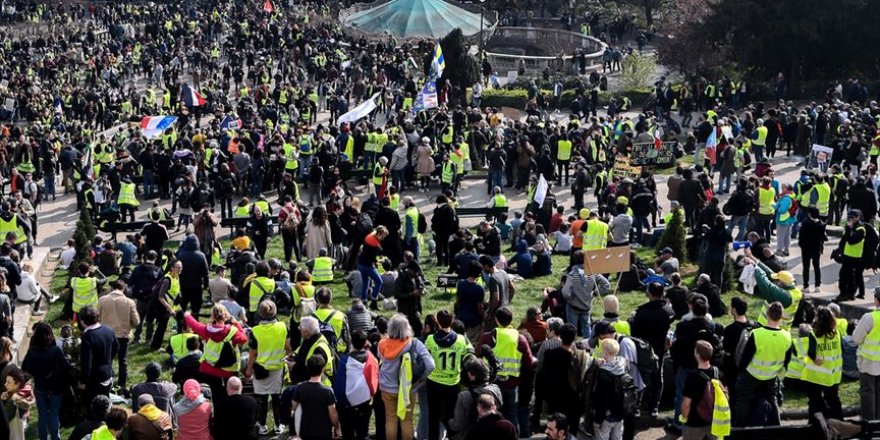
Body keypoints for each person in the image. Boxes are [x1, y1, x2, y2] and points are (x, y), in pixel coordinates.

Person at [476, 307, 534, 435]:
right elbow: (529, 363)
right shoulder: (519, 338)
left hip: (492, 384)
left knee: (490, 414)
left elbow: (478, 356)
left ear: (496, 320)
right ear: (511, 320)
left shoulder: (488, 337)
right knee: (512, 414)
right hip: (512, 384)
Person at [733, 302, 792, 427]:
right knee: (773, 400)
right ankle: (776, 426)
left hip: (752, 373)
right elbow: (787, 360)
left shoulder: (757, 334)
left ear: (767, 314)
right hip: (771, 375)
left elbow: (746, 357)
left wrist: (740, 371)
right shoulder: (787, 336)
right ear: (781, 317)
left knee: (744, 400)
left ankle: (739, 427)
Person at [377, 314, 436, 440]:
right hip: (408, 388)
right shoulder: (414, 343)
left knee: (391, 419)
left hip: (387, 389)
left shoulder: (382, 344)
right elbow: (431, 365)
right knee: (406, 420)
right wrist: (421, 380)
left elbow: (381, 361)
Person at [425, 310, 473, 440]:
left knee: (433, 416)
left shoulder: (430, 340)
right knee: (452, 416)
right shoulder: (461, 340)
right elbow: (471, 352)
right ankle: (452, 437)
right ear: (452, 322)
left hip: (434, 382)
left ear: (437, 323)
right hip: (452, 383)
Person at [246, 300, 291, 436]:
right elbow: (288, 348)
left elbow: (253, 353)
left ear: (260, 314)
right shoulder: (283, 327)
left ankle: (262, 425)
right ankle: (278, 425)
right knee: (277, 397)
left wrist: (248, 369)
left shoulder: (255, 331)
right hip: (277, 367)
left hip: (260, 369)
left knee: (262, 398)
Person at [183, 305, 248, 395]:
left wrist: (187, 315)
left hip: (211, 368)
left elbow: (194, 324)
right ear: (226, 315)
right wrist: (236, 324)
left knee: (216, 393)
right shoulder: (233, 331)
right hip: (229, 369)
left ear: (213, 316)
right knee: (231, 394)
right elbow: (244, 339)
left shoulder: (206, 330)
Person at [21, 322, 70, 440]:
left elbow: (24, 368)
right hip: (56, 388)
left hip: (40, 387)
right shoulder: (55, 350)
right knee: (53, 415)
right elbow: (66, 367)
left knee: (42, 416)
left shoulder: (32, 352)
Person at [540, 323, 589, 431]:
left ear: (560, 336)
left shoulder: (549, 355)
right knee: (572, 430)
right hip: (573, 399)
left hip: (555, 399)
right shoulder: (580, 357)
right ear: (574, 337)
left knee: (557, 430)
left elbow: (544, 376)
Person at [679, 341, 731, 440]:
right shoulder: (718, 372)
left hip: (695, 423)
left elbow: (686, 404)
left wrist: (684, 418)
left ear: (697, 354)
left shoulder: (692, 376)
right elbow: (726, 394)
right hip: (714, 421)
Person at [333, 329, 379, 440]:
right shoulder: (371, 358)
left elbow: (339, 385)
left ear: (351, 342)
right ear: (365, 343)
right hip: (365, 401)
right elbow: (375, 379)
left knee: (348, 434)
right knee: (362, 433)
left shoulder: (345, 360)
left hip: (346, 405)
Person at [802, 306, 843, 421]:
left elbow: (811, 352)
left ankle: (814, 426)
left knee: (814, 401)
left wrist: (815, 358)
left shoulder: (814, 334)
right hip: (832, 374)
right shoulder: (837, 334)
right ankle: (839, 423)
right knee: (834, 400)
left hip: (815, 375)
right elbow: (842, 350)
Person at [98, 279, 140, 391]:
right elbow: (137, 322)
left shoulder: (102, 300)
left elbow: (97, 316)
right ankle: (121, 384)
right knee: (123, 360)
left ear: (112, 288)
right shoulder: (130, 302)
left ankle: (106, 381)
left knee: (107, 359)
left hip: (106, 334)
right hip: (123, 335)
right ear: (124, 288)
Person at [562, 250, 610, 339]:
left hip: (573, 306)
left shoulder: (572, 275)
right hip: (586, 305)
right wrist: (595, 293)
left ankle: (572, 346)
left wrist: (570, 298)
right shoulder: (593, 273)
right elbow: (606, 284)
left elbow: (565, 291)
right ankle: (588, 347)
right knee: (587, 328)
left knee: (572, 329)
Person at [292, 355, 342, 440]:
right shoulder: (328, 391)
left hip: (305, 432)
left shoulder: (299, 388)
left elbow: (294, 408)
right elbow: (333, 414)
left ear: (308, 368)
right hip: (324, 432)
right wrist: (337, 428)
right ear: (323, 369)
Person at [78, 306, 117, 403]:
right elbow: (116, 347)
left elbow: (87, 363)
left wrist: (83, 381)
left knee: (94, 403)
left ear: (82, 321)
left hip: (95, 377)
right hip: (108, 371)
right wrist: (107, 360)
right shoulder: (108, 330)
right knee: (105, 400)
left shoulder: (88, 337)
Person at [592, 338, 628, 440]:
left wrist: (597, 420)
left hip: (607, 415)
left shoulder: (603, 374)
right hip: (621, 412)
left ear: (605, 352)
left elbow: (601, 400)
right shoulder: (623, 365)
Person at [852, 287, 880, 421]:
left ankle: (869, 425)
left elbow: (856, 338)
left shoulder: (870, 318)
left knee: (868, 394)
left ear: (877, 301)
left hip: (869, 363)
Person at [836, 209, 867, 301]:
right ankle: (844, 293)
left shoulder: (861, 229)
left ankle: (848, 294)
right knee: (843, 276)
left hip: (854, 257)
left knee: (850, 277)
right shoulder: (849, 227)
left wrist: (849, 228)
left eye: (852, 217)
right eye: (849, 217)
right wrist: (838, 251)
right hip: (846, 256)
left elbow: (851, 241)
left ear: (857, 218)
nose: (850, 219)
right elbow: (843, 240)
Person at [358, 226, 388, 309]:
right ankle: (373, 301)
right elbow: (373, 258)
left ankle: (364, 302)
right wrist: (378, 264)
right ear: (378, 234)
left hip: (360, 264)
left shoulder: (369, 237)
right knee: (379, 282)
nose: (383, 239)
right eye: (382, 236)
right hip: (368, 266)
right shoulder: (374, 245)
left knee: (365, 283)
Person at [798, 207, 827, 293]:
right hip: (816, 248)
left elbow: (801, 237)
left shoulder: (806, 223)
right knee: (816, 267)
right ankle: (817, 285)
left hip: (806, 249)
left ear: (810, 214)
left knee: (806, 267)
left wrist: (802, 245)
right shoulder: (822, 224)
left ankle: (806, 286)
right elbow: (823, 238)